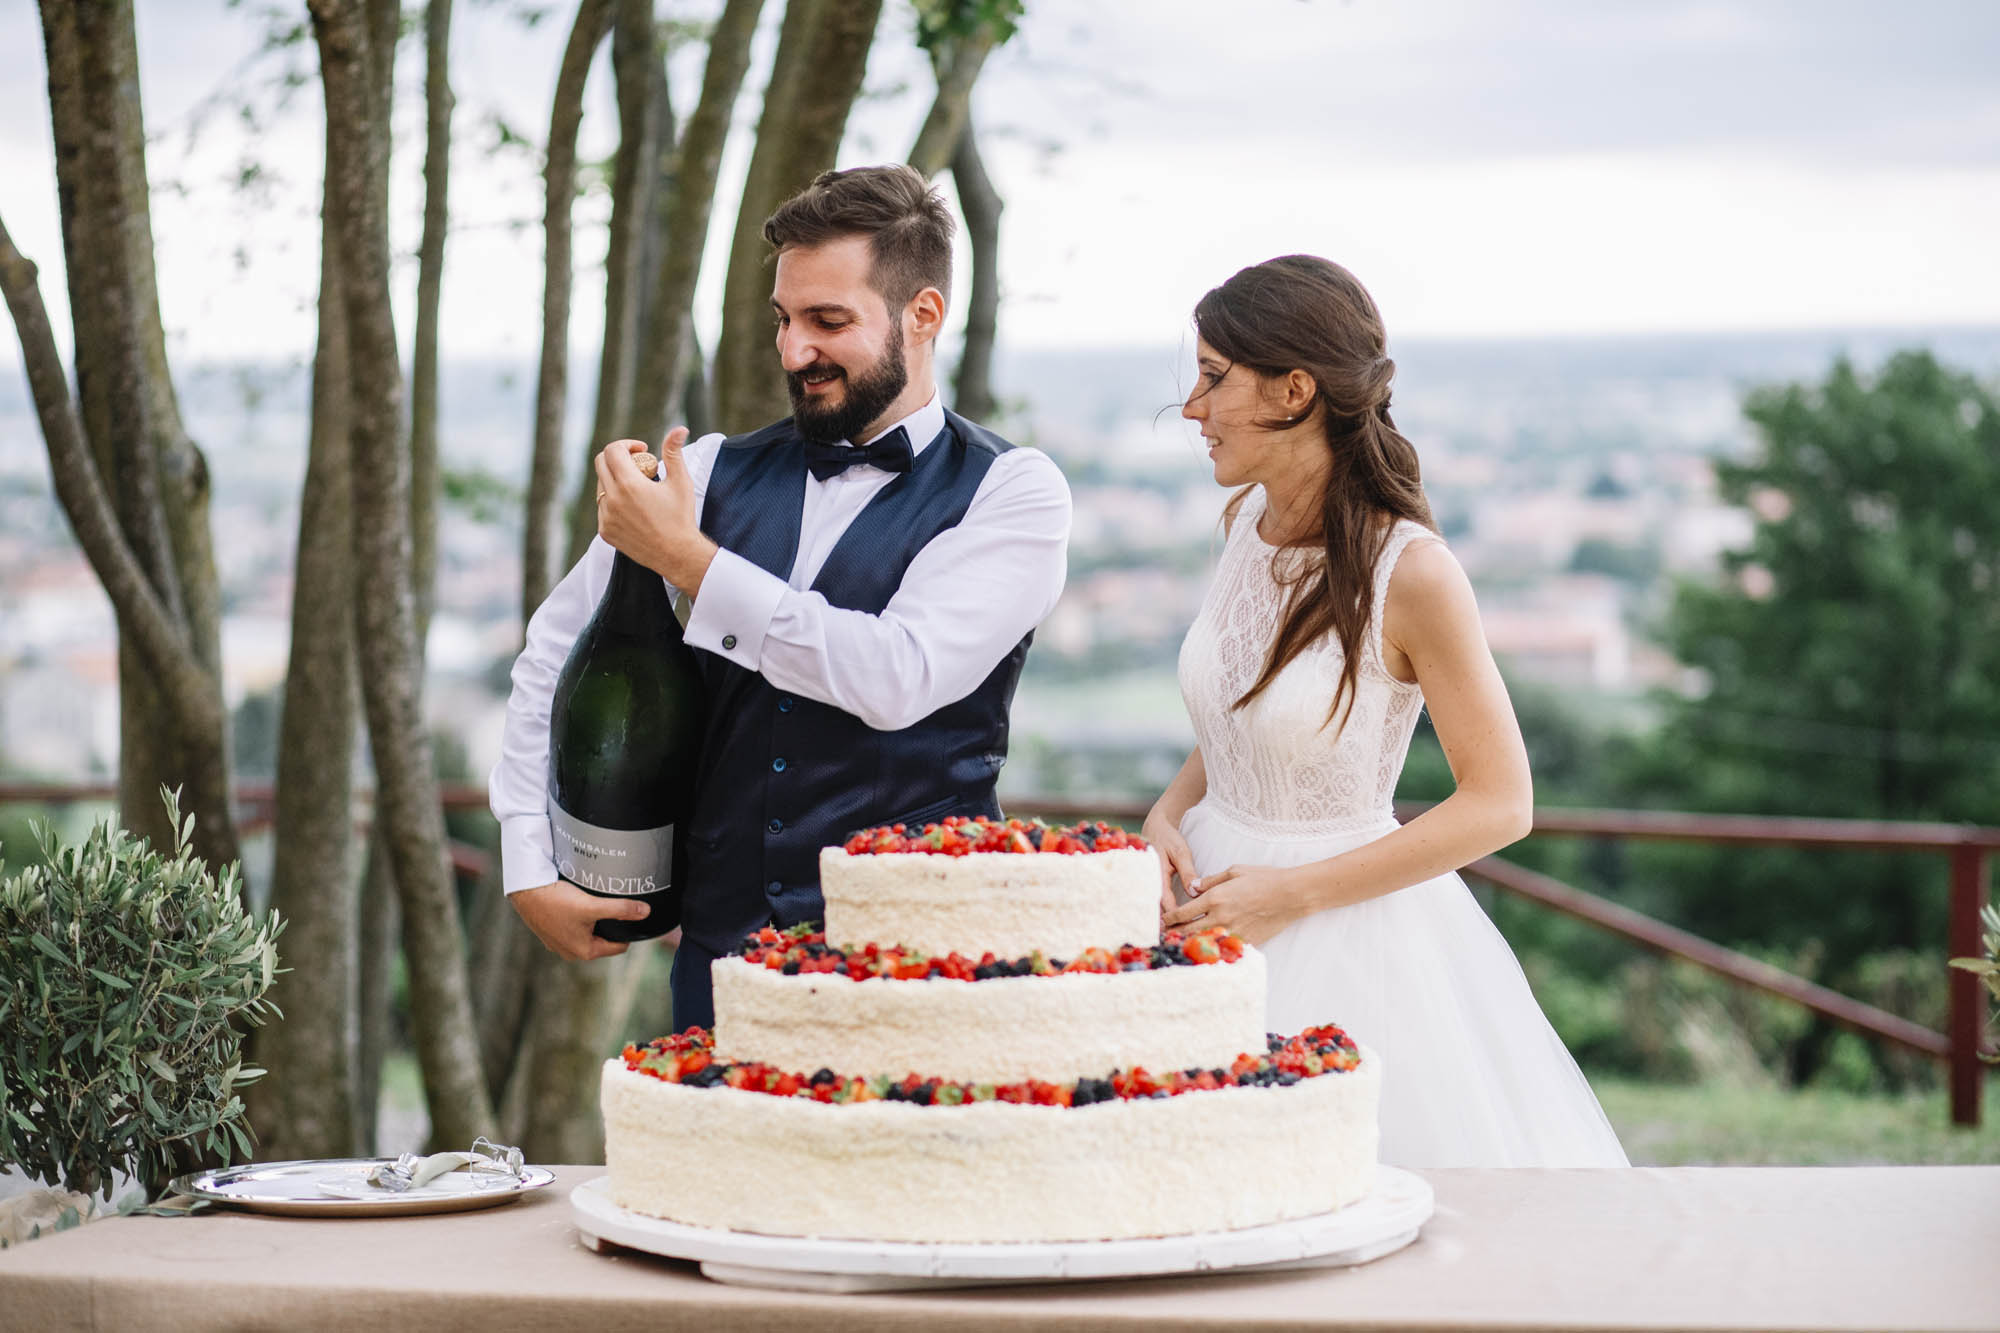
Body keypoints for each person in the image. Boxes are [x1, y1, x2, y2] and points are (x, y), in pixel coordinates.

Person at [490, 165, 1071, 1030]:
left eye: (828, 321)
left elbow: (893, 676)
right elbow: (555, 651)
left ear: (923, 315)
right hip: (722, 966)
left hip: (921, 970)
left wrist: (692, 562)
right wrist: (527, 860)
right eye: (784, 320)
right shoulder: (713, 469)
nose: (795, 350)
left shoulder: (1013, 491)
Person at [1147, 255, 1627, 1167]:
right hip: (1207, 910)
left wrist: (1291, 894)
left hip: (1344, 931)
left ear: (1295, 391)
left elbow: (1502, 803)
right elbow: (1243, 717)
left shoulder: (1414, 573)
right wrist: (1169, 813)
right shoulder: (1246, 527)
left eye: (1213, 380)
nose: (1192, 410)